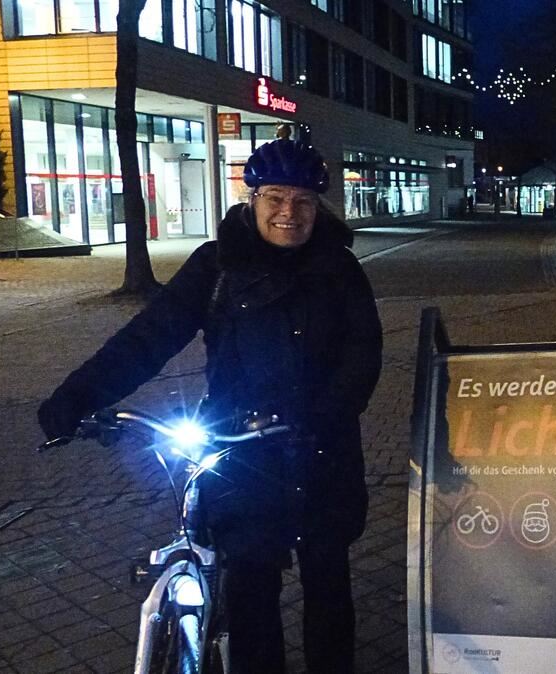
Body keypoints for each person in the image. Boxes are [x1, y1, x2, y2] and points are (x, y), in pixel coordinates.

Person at [37, 139, 383, 673]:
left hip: (323, 453)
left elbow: (364, 352)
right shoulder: (218, 265)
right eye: (275, 198)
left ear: (319, 207)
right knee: (249, 594)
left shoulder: (339, 269)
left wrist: (325, 415)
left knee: (329, 589)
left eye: (303, 202)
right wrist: (79, 396)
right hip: (240, 457)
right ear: (251, 199)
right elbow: (149, 337)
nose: (288, 213)